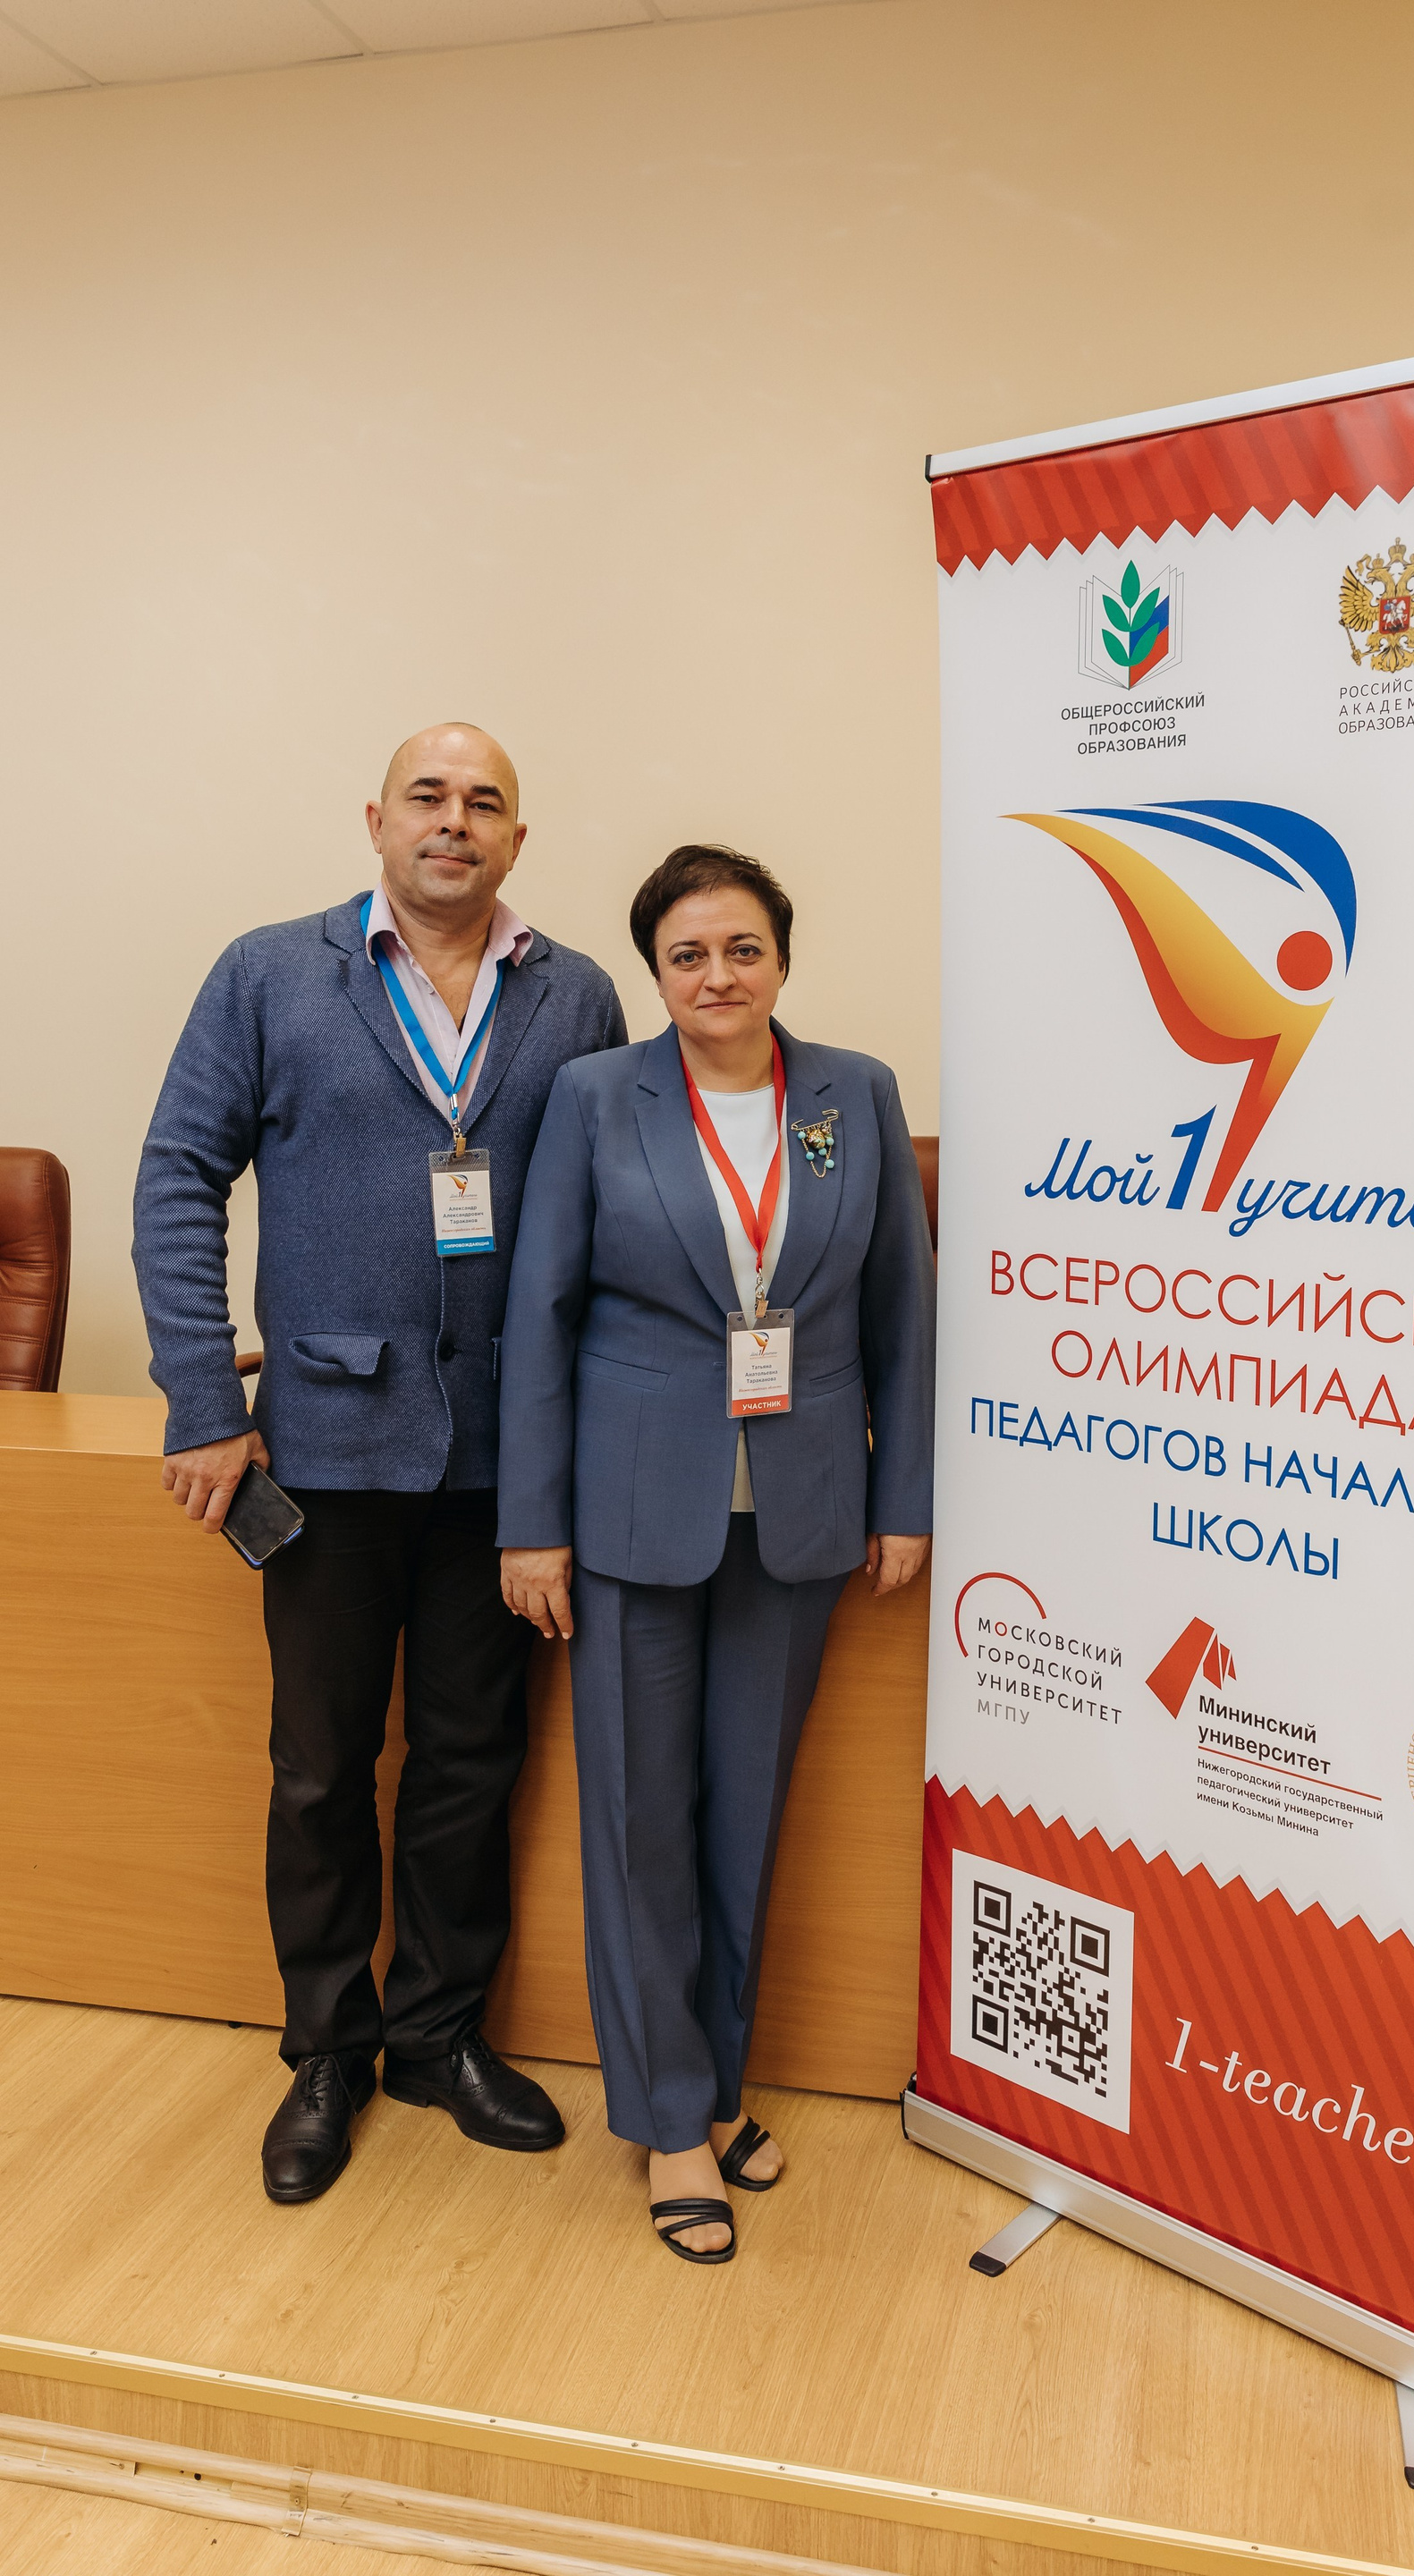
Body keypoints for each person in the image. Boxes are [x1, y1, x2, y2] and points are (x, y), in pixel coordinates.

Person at [133, 723, 626, 2205]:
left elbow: (616, 1209)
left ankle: (437, 2037)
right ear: (377, 821)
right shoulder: (270, 973)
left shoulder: (576, 993)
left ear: (517, 839)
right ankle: (327, 2050)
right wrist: (199, 1398)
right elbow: (177, 1175)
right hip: (328, 1451)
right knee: (320, 1769)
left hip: (507, 1462)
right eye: (428, 796)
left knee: (474, 1763)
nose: (453, 821)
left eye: (485, 802)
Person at [495, 843, 935, 2263]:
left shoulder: (854, 1095)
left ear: (782, 959)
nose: (718, 975)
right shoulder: (595, 1098)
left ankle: (719, 2079)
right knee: (640, 1824)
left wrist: (904, 1497)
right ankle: (669, 2118)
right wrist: (531, 1525)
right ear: (656, 973)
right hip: (632, 1509)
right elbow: (540, 1318)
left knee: (747, 1814)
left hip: (799, 1512)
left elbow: (902, 1313)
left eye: (743, 948)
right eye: (687, 954)